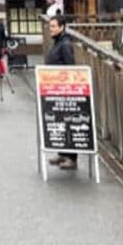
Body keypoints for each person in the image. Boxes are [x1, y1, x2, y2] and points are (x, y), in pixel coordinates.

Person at [45, 14, 78, 170]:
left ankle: (71, 157)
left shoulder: (65, 44)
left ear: (62, 27)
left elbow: (70, 66)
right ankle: (62, 152)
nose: (50, 29)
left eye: (53, 26)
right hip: (55, 88)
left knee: (68, 122)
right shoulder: (58, 42)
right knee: (59, 122)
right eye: (50, 26)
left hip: (64, 89)